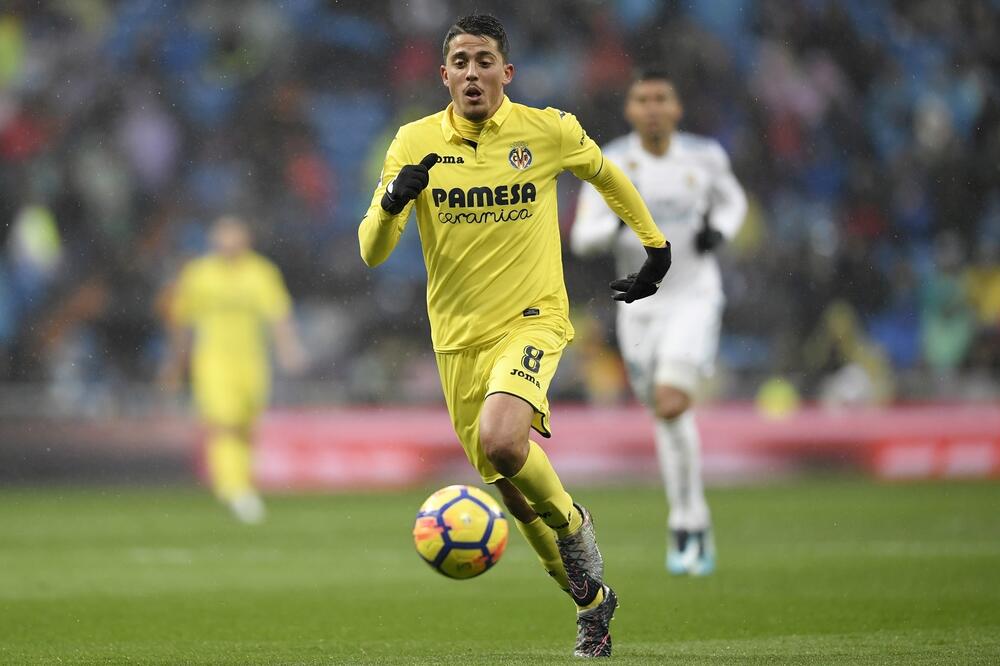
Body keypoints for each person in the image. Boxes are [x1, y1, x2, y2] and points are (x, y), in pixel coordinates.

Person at [359, 15, 670, 659]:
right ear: (444, 75)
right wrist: (392, 201)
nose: (473, 72)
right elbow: (371, 251)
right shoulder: (414, 143)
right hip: (456, 343)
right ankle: (591, 603)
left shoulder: (547, 130)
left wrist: (655, 247)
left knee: (506, 441)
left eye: (485, 60)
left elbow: (605, 174)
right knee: (510, 487)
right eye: (461, 61)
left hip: (533, 319)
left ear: (507, 71)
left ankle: (577, 526)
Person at [571, 70, 747, 576]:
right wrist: (615, 225)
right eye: (642, 99)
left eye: (661, 98)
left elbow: (734, 201)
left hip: (694, 296)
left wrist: (721, 229)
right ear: (629, 111)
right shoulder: (610, 161)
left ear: (676, 109)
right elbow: (583, 236)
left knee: (671, 402)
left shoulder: (706, 157)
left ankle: (688, 521)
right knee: (665, 414)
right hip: (639, 303)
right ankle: (690, 521)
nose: (651, 107)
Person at [161, 215, 306, 524]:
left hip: (252, 360)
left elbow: (277, 314)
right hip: (213, 359)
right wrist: (175, 364)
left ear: (245, 239)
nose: (228, 243)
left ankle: (239, 484)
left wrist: (288, 349)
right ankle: (234, 489)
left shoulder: (261, 272)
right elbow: (182, 323)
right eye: (222, 237)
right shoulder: (198, 274)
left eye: (234, 236)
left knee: (245, 426)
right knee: (222, 422)